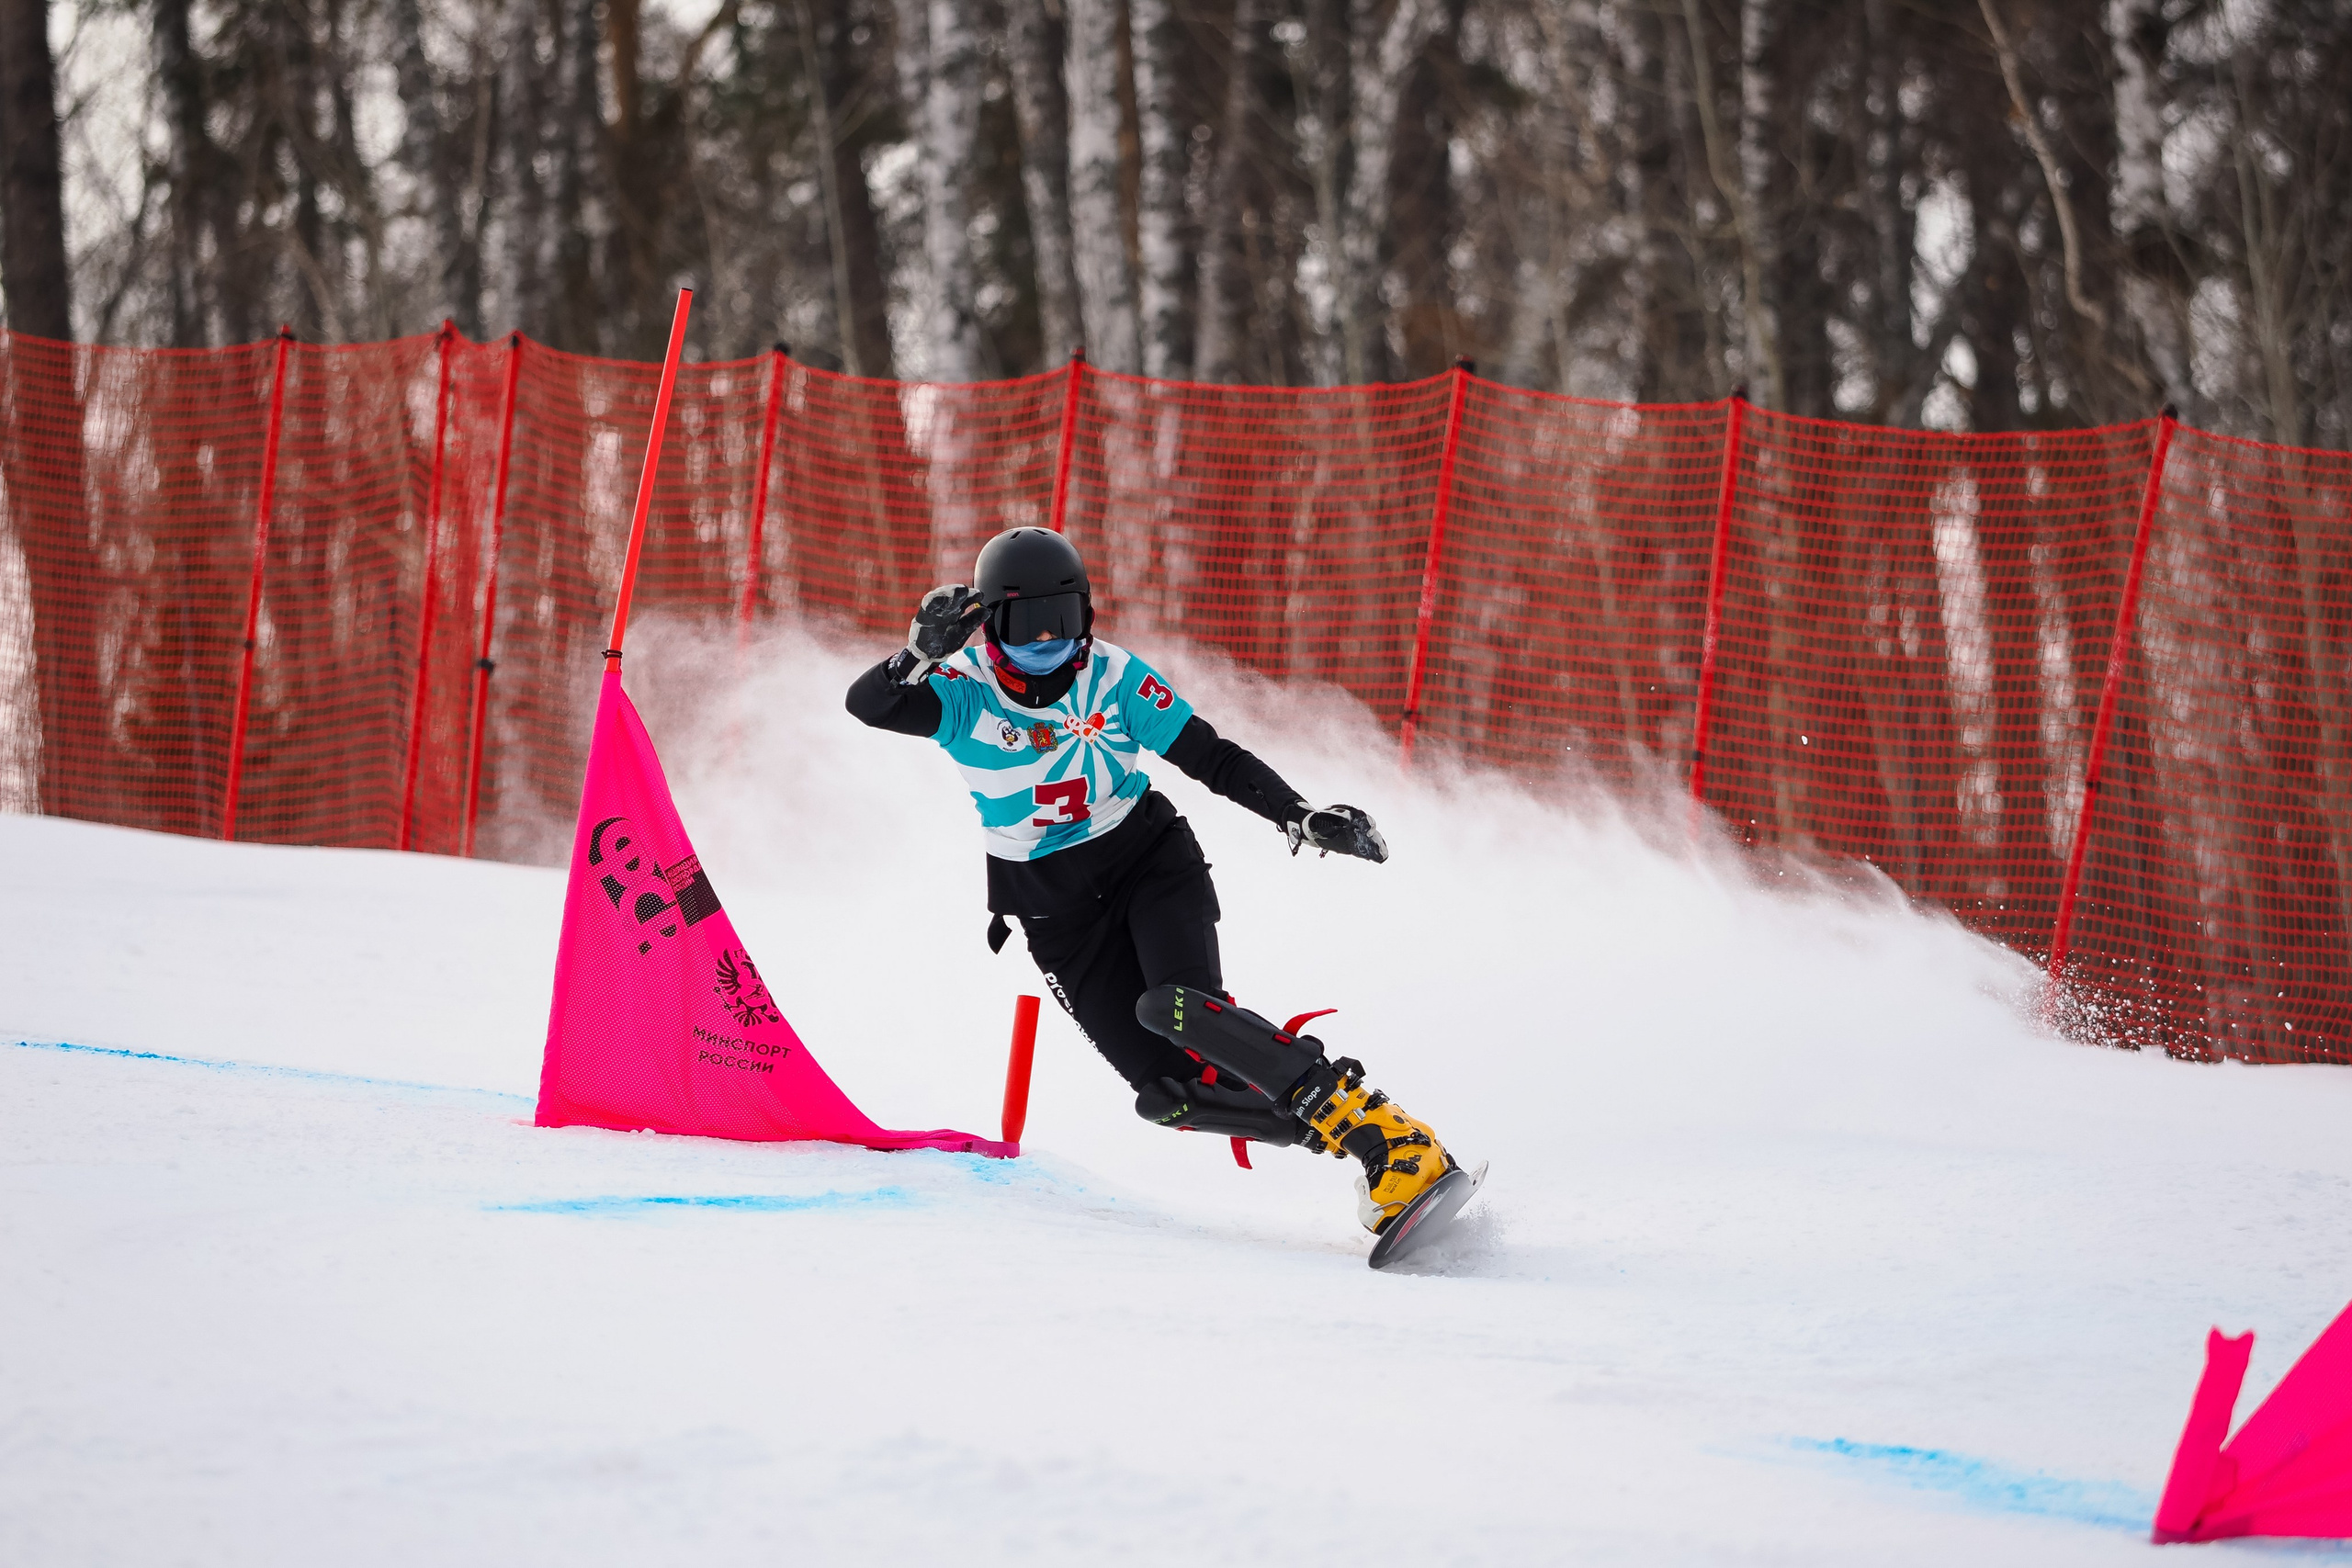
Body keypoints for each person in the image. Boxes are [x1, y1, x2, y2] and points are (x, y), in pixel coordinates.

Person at [846, 526, 1456, 1236]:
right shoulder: (964, 691)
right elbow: (871, 703)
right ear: (986, 627)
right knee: (1169, 1094)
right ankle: (1332, 1130)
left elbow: (1211, 756)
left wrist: (1297, 813)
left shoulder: (1112, 676)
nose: (1046, 643)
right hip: (1053, 910)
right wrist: (919, 653)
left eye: (1062, 621)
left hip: (1146, 861)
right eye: (1023, 626)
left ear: (1087, 615)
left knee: (1181, 1009)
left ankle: (1389, 1138)